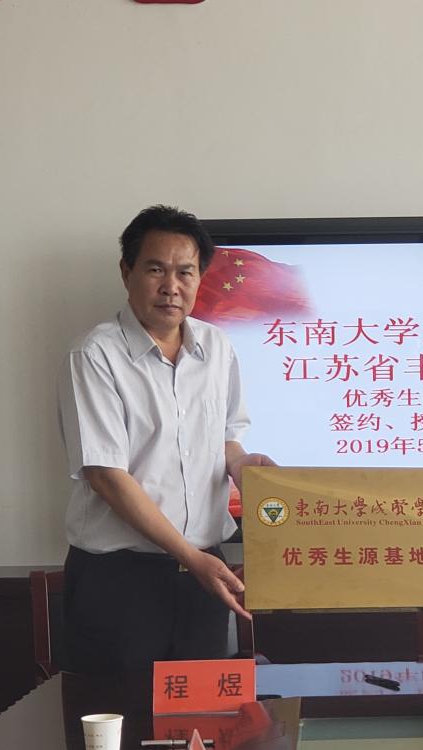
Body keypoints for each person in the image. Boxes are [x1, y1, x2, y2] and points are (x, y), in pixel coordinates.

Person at [57, 205, 275, 673]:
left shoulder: (217, 348)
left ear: (200, 278)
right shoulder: (95, 354)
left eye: (185, 272)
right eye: (155, 270)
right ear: (127, 272)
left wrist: (242, 466)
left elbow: (226, 439)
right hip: (120, 579)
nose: (171, 286)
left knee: (203, 709)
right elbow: (106, 475)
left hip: (204, 573)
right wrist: (189, 556)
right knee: (118, 710)